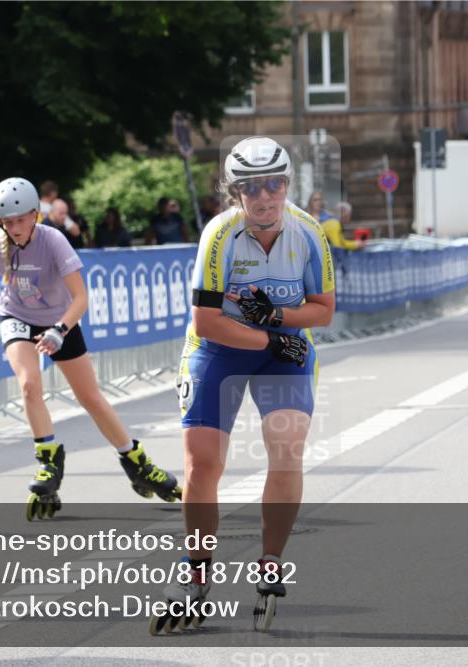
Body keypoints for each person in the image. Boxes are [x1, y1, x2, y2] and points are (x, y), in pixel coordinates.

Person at [149, 137, 335, 634]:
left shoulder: (308, 232)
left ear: (288, 185)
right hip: (221, 347)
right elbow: (207, 322)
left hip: (283, 350)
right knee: (203, 462)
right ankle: (196, 571)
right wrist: (271, 337)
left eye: (274, 184)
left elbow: (323, 310)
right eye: (250, 188)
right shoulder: (219, 235)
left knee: (286, 446)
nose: (264, 196)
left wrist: (275, 318)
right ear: (235, 193)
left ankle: (271, 562)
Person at [0, 178, 181, 520]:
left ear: (35, 215)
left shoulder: (53, 240)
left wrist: (59, 330)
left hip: (61, 320)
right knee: (29, 385)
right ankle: (48, 461)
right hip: (17, 317)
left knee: (90, 398)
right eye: (7, 223)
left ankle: (137, 462)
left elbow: (81, 298)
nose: (15, 229)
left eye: (20, 220)